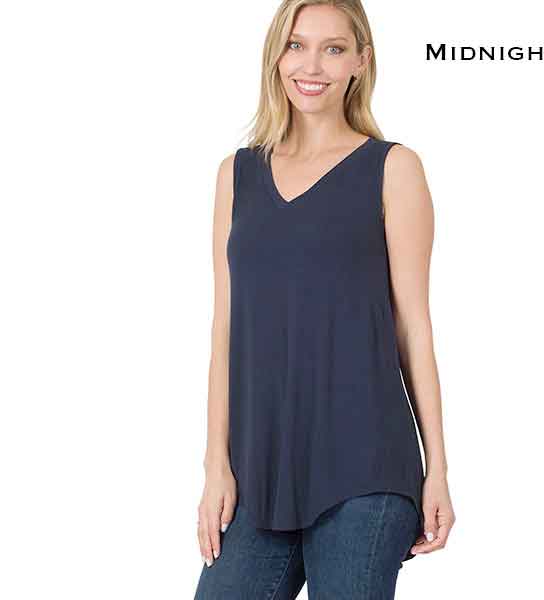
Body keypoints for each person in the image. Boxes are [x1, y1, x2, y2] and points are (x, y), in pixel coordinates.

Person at [194, 1, 455, 597]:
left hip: (365, 464)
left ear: (361, 61)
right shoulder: (237, 175)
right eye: (296, 45)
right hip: (259, 469)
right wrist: (215, 465)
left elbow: (414, 328)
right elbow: (225, 329)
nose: (311, 65)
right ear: (276, 56)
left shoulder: (393, 168)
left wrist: (437, 467)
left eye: (333, 48)